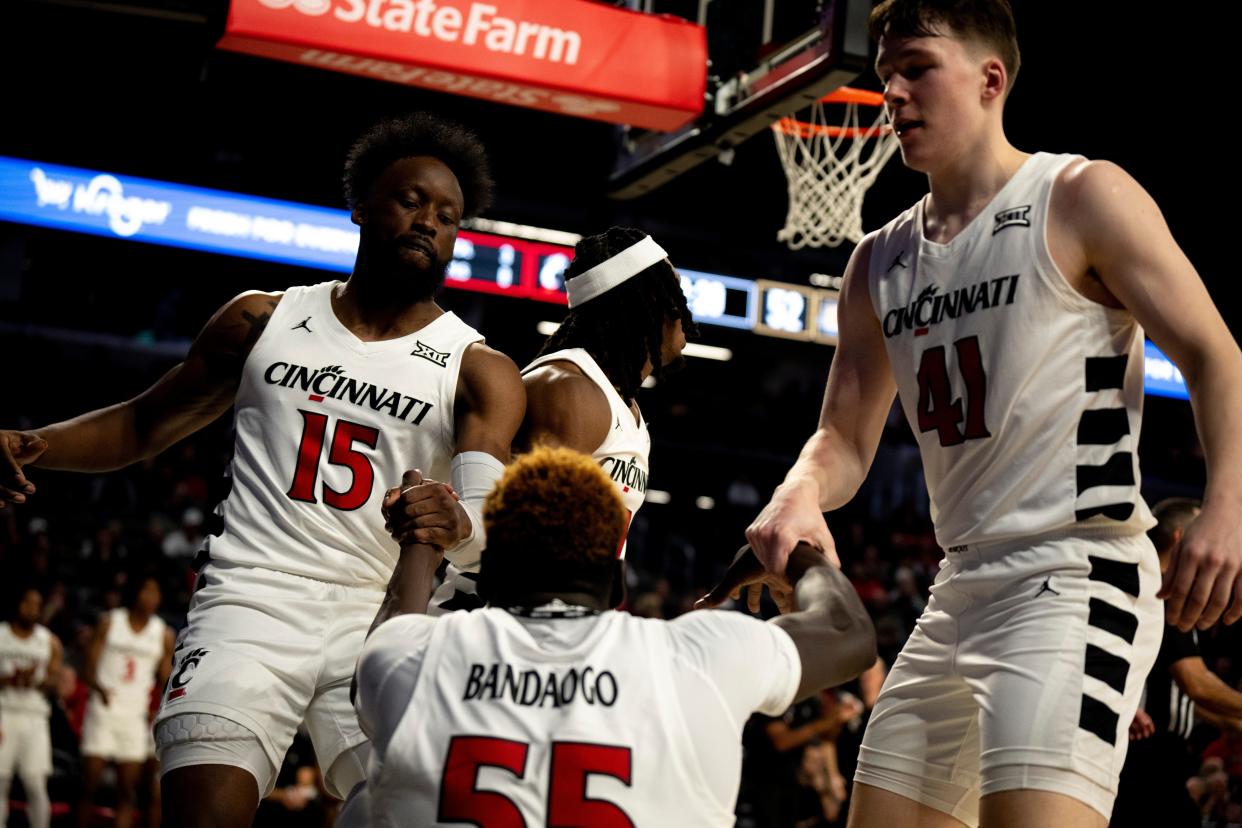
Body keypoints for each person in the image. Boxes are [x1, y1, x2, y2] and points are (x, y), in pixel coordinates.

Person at [743, 1, 1242, 826]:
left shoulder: (1080, 194)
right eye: (883, 77)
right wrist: (797, 492)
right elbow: (842, 437)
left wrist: (1227, 508)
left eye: (916, 69)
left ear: (990, 79)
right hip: (959, 585)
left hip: (1078, 575)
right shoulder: (879, 260)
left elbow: (1215, 355)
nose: (893, 93)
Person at [0, 112, 526, 826]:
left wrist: (456, 519)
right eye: (411, 201)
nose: (429, 222)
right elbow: (142, 423)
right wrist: (38, 443)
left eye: (448, 216)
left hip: (382, 616)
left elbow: (482, 535)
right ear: (363, 206)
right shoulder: (262, 319)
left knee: (408, 812)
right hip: (250, 600)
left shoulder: (482, 370)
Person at [354, 446, 877, 825]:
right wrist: (786, 551)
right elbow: (850, 632)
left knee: (364, 804)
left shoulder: (408, 658)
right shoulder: (695, 659)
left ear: (489, 578)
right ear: (617, 583)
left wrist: (420, 536)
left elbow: (395, 630)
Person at [396, 226, 695, 612]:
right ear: (646, 302)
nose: (682, 308)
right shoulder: (568, 390)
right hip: (497, 620)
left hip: (560, 617)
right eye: (674, 293)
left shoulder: (619, 401)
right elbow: (524, 538)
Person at [1112, 499, 1242, 828]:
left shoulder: (1147, 584)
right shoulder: (1160, 590)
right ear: (1182, 539)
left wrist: (1233, 722)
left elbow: (1181, 696)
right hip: (1148, 753)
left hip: (1150, 747)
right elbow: (1196, 683)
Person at [78, 575, 175, 828]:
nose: (151, 598)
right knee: (88, 787)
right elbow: (88, 667)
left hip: (134, 716)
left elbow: (166, 681)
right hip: (103, 710)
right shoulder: (111, 622)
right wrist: (99, 689)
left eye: (156, 593)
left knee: (126, 793)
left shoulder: (162, 634)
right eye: (147, 591)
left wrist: (158, 708)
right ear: (135, 593)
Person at [0, 587, 63, 828]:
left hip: (34, 716)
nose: (32, 608)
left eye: (37, 604)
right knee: (1, 781)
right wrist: (9, 679)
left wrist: (35, 680)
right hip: (4, 712)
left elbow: (55, 682)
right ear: (17, 604)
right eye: (27, 602)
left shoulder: (49, 641)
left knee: (35, 782)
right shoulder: (2, 634)